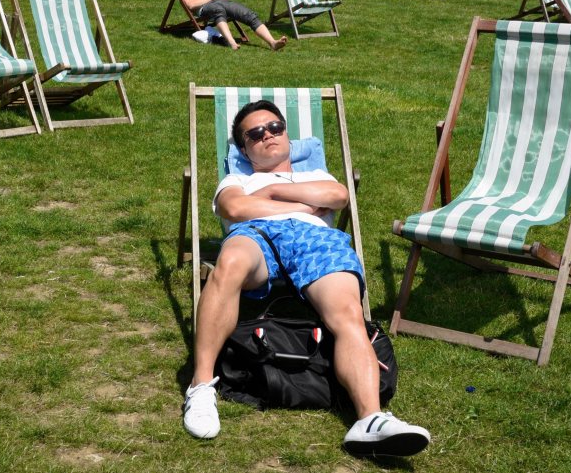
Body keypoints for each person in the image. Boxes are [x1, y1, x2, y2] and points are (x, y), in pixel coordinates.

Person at [182, 99, 431, 457]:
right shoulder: (236, 179)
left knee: (347, 313)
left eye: (275, 128)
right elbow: (236, 208)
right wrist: (302, 206)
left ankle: (370, 420)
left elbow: (338, 196)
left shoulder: (316, 174)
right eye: (255, 134)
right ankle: (201, 386)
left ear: (287, 134)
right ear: (244, 148)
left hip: (315, 241)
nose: (268, 135)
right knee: (231, 260)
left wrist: (270, 191)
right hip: (257, 236)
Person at [178, 0, 287, 51]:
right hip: (205, 8)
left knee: (248, 14)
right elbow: (190, 5)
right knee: (218, 9)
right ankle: (231, 42)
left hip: (221, 3)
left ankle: (273, 42)